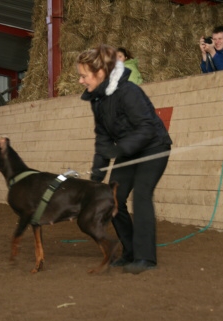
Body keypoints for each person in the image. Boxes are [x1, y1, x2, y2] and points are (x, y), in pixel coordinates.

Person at [76, 44, 173, 274]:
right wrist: (96, 177)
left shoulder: (129, 92)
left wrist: (117, 151)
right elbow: (102, 137)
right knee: (113, 198)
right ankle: (129, 251)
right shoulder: (97, 99)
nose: (80, 81)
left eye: (83, 76)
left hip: (153, 147)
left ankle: (145, 258)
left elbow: (147, 128)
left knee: (141, 194)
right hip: (127, 151)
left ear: (100, 73)